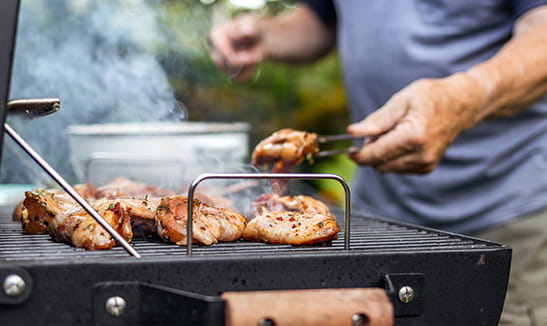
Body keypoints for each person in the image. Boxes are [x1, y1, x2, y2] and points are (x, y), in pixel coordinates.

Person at [208, 1, 547, 324]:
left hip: (504, 210)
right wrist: (265, 33)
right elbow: (321, 19)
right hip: (379, 219)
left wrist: (461, 99)